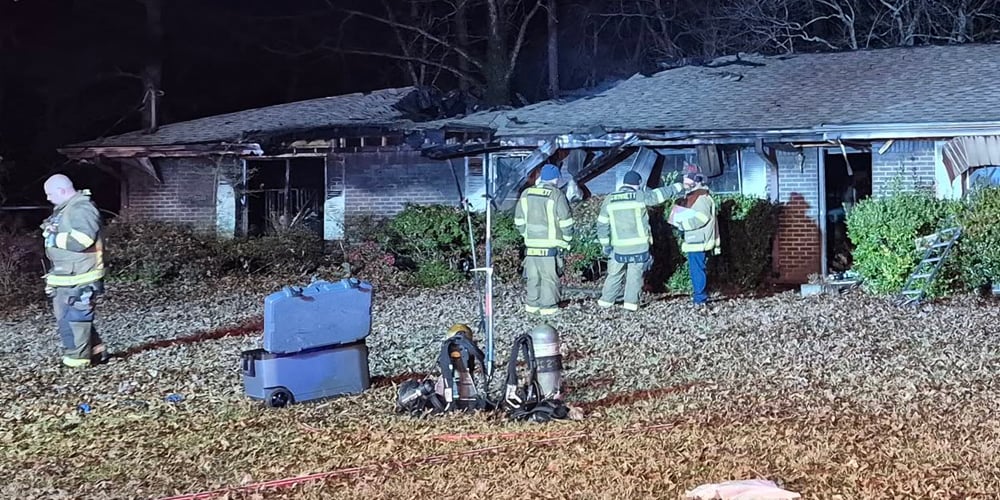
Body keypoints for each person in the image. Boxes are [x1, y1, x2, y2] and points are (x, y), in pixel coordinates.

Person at [41, 174, 107, 367]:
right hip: (68, 275)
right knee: (70, 318)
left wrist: (53, 238)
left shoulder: (81, 208)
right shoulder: (66, 209)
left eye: (49, 194)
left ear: (62, 191)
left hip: (80, 276)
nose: (47, 198)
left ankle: (77, 362)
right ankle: (97, 352)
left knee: (75, 320)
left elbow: (82, 241)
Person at [596, 170, 684, 311]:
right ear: (637, 184)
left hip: (618, 247)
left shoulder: (609, 199)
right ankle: (630, 305)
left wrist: (605, 245)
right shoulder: (639, 196)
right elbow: (658, 195)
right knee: (635, 276)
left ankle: (605, 302)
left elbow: (602, 224)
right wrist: (678, 186)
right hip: (638, 247)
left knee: (614, 275)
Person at [514, 164, 574, 315]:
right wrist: (567, 240)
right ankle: (548, 308)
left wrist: (526, 235)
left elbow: (519, 220)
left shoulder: (526, 194)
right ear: (556, 179)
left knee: (533, 277)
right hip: (550, 246)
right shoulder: (556, 195)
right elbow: (565, 221)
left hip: (531, 245)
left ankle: (531, 306)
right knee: (549, 278)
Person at [670, 172, 720, 306]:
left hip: (698, 239)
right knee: (698, 268)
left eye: (687, 181)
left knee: (697, 269)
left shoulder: (701, 197)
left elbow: (701, 218)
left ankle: (700, 298)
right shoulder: (696, 196)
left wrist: (681, 224)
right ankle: (700, 297)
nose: (684, 184)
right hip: (695, 238)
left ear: (696, 181)